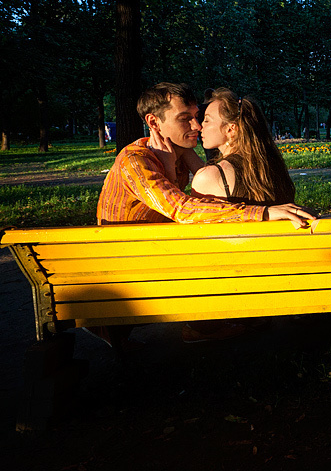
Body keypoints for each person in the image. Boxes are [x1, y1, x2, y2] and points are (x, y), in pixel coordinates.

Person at [92, 82, 316, 348]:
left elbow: (208, 182)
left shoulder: (175, 154)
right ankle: (203, 324)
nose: (196, 126)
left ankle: (211, 322)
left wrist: (179, 164)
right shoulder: (135, 161)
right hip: (130, 265)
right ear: (154, 122)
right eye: (185, 119)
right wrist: (263, 212)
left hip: (156, 251)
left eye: (197, 117)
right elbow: (183, 208)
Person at [191, 87, 296, 205]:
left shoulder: (209, 178)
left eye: (206, 120)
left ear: (231, 129)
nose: (200, 127)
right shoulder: (271, 168)